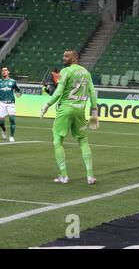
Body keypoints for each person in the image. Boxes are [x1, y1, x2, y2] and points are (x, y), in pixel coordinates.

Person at [40, 50, 99, 185]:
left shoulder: (65, 71)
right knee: (83, 140)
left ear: (74, 58)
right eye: (64, 55)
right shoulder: (86, 73)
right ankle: (90, 176)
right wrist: (94, 112)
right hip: (80, 111)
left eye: (67, 56)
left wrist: (47, 105)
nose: (63, 57)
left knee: (57, 141)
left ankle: (64, 176)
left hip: (65, 110)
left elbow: (59, 92)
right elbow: (92, 92)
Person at [0, 66, 22, 142]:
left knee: (12, 119)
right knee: (1, 122)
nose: (4, 71)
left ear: (8, 72)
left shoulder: (13, 81)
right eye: (2, 70)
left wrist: (19, 94)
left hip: (11, 103)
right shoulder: (0, 82)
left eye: (5, 70)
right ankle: (4, 130)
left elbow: (19, 90)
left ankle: (12, 136)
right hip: (2, 103)